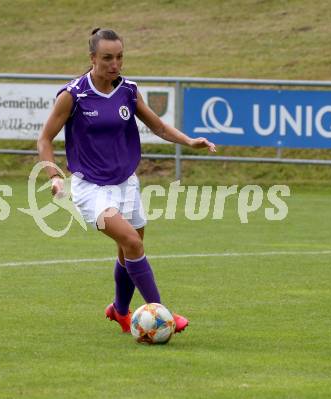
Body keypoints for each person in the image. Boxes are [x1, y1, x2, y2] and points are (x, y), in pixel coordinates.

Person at [37, 28, 216, 334]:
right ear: (92, 58)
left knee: (128, 249)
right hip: (90, 187)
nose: (115, 64)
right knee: (132, 241)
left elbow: (157, 126)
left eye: (119, 57)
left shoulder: (128, 90)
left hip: (126, 183)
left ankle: (119, 310)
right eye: (107, 58)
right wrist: (55, 177)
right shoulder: (74, 95)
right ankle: (164, 316)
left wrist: (189, 141)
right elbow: (44, 139)